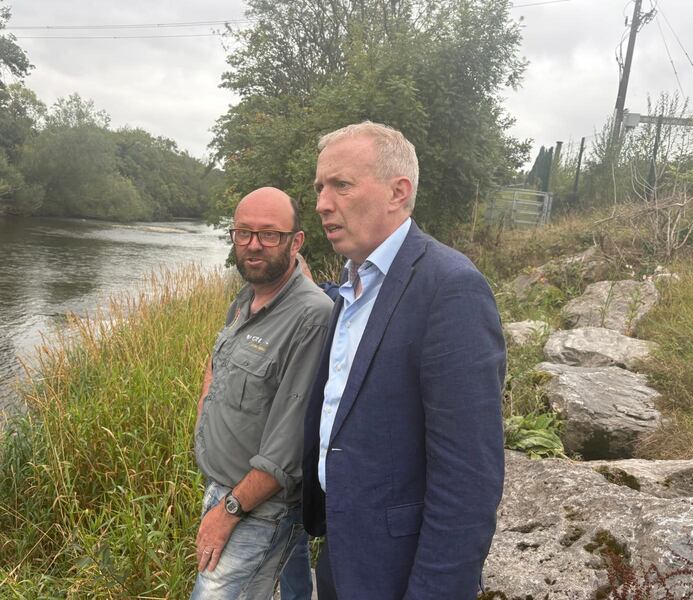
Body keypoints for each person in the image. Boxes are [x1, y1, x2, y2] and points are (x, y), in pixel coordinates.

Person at [302, 122, 506, 600]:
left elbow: (468, 482)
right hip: (342, 552)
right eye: (319, 188)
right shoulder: (352, 286)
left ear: (398, 192)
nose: (322, 204)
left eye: (341, 185)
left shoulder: (450, 288)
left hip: (399, 572)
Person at [191, 186, 332, 600]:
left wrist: (229, 511)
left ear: (296, 241)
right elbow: (216, 366)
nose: (254, 245)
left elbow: (288, 448)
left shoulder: (312, 317)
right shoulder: (246, 297)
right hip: (223, 487)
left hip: (257, 508)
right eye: (243, 233)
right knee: (292, 584)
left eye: (270, 234)